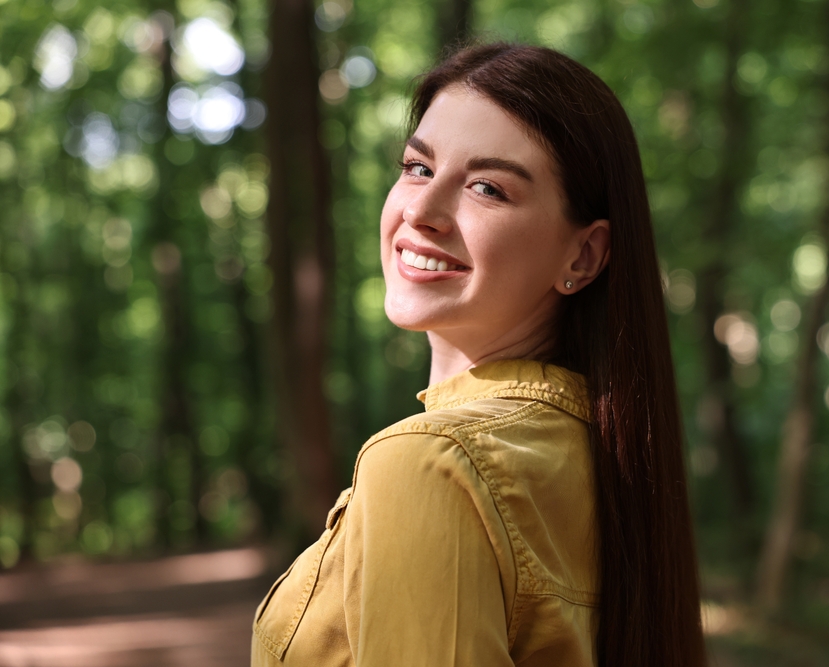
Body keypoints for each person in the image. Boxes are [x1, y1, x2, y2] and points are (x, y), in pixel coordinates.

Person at [251, 43, 706, 666]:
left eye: (487, 187)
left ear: (584, 256)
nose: (423, 211)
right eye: (417, 167)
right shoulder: (597, 459)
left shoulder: (431, 464)